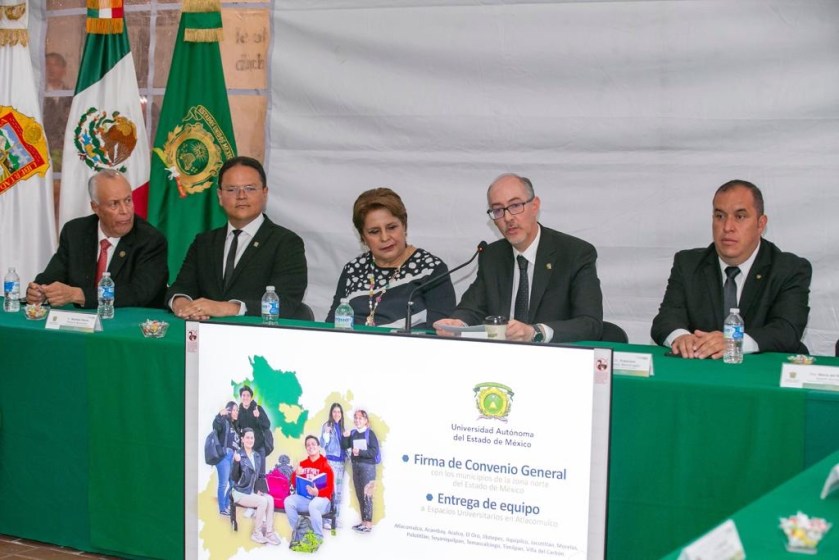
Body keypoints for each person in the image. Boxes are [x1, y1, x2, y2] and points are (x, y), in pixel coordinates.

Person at [651, 180, 811, 358]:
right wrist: (681, 337)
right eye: (720, 216)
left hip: (763, 371)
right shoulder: (688, 264)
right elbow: (666, 320)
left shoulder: (789, 269)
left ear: (760, 224)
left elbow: (787, 331)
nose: (727, 227)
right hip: (702, 369)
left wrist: (733, 342)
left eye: (740, 217)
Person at [434, 173, 603, 343]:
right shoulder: (492, 256)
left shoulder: (575, 254)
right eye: (498, 210)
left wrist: (535, 332)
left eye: (515, 206)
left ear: (535, 206)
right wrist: (457, 324)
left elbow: (590, 323)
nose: (508, 218)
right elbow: (472, 308)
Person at [167, 156, 307, 320]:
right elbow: (181, 287)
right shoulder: (204, 242)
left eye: (250, 188)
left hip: (258, 333)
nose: (241, 196)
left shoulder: (286, 243)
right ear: (220, 196)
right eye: (232, 189)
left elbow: (286, 302)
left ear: (265, 193)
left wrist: (229, 308)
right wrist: (181, 304)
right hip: (206, 332)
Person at [27, 170, 168, 308]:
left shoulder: (150, 240)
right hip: (82, 321)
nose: (125, 211)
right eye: (114, 204)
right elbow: (53, 274)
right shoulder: (75, 232)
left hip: (132, 321)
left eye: (128, 200)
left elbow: (139, 293)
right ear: (95, 207)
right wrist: (39, 290)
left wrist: (79, 295)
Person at [326, 188, 455, 329]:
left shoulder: (431, 269)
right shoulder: (353, 270)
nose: (384, 237)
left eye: (392, 227)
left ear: (404, 226)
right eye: (374, 231)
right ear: (363, 237)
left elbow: (441, 332)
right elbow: (331, 325)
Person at [230, 428, 281, 545]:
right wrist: (236, 462)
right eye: (247, 437)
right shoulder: (238, 455)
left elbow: (259, 476)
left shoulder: (257, 456)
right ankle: (256, 533)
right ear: (242, 439)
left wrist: (259, 489)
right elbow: (234, 478)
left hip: (252, 491)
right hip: (240, 492)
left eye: (252, 438)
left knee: (270, 499)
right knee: (262, 501)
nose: (250, 440)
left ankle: (269, 532)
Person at [285, 435, 335, 548]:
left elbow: (330, 489)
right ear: (306, 448)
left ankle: (318, 537)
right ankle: (299, 533)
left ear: (318, 446)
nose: (310, 446)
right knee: (288, 501)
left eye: (313, 444)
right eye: (308, 445)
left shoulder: (326, 465)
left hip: (322, 501)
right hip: (306, 499)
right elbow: (294, 484)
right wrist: (296, 474)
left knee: (314, 504)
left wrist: (318, 493)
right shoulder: (303, 464)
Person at [342, 409, 379, 533]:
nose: (357, 420)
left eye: (360, 418)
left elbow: (374, 452)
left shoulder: (370, 433)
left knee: (367, 495)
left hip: (368, 467)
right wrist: (345, 437)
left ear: (365, 420)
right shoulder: (353, 433)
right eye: (356, 418)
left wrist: (361, 452)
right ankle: (363, 522)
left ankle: (368, 525)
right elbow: (345, 446)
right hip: (356, 466)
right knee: (359, 494)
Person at [319, 403, 347, 529]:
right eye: (335, 411)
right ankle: (326, 519)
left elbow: (345, 446)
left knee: (338, 492)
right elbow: (322, 444)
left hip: (341, 463)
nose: (337, 414)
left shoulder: (342, 428)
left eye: (339, 412)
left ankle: (335, 518)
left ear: (341, 414)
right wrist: (326, 433)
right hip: (331, 462)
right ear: (331, 413)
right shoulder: (327, 426)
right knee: (330, 491)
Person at [212, 401, 240, 516]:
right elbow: (216, 427)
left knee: (234, 484)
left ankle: (226, 504)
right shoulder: (224, 422)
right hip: (224, 456)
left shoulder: (235, 426)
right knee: (223, 484)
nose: (236, 412)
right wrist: (219, 416)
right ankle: (222, 508)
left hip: (233, 457)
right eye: (234, 410)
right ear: (229, 410)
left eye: (237, 410)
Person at [236, 386, 270, 474]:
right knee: (247, 475)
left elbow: (267, 425)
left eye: (248, 395)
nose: (245, 397)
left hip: (259, 447)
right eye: (243, 395)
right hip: (246, 449)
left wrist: (258, 416)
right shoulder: (239, 412)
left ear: (251, 398)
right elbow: (237, 428)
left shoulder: (258, 408)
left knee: (261, 475)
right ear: (241, 397)